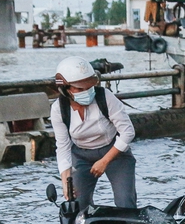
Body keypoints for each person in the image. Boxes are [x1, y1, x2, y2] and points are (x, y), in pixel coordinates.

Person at [51, 56, 137, 210]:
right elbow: (63, 147)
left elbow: (128, 132)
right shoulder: (59, 109)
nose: (87, 92)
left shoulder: (105, 96)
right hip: (81, 156)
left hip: (114, 152)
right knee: (77, 204)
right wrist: (65, 180)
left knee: (125, 202)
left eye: (89, 87)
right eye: (79, 89)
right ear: (65, 89)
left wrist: (104, 161)